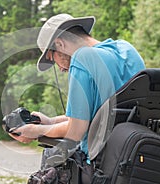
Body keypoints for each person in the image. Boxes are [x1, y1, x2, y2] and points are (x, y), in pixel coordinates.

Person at [9, 13, 146, 162]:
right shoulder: (127, 49)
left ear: (60, 44)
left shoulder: (81, 58)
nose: (60, 69)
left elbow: (76, 131)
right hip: (134, 155)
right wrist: (50, 121)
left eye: (52, 58)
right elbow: (99, 115)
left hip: (101, 165)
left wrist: (36, 131)